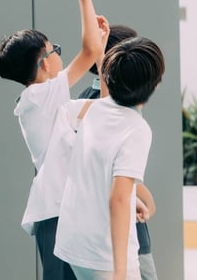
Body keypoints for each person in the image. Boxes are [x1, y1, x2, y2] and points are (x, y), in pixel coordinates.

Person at [0, 0, 107, 280]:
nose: (59, 54)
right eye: (54, 49)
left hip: (61, 210)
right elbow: (89, 50)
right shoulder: (40, 96)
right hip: (57, 212)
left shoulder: (40, 100)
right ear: (43, 63)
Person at [54, 36, 165, 280]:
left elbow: (95, 167)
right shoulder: (136, 129)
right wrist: (120, 272)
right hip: (102, 255)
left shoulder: (92, 109)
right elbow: (118, 199)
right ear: (156, 84)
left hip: (72, 242)